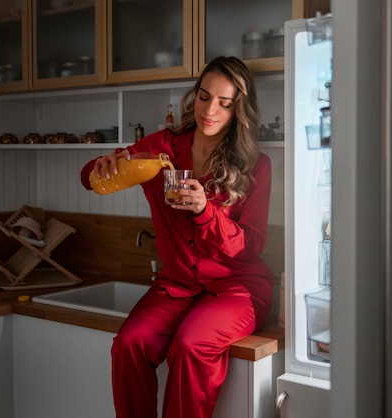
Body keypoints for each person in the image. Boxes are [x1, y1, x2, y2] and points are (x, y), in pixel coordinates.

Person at [80, 56, 273, 418]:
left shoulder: (255, 165)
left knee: (191, 343)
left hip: (237, 288)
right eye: (204, 96)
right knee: (128, 344)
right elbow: (91, 176)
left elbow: (252, 244)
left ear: (238, 110)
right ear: (194, 96)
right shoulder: (162, 148)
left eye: (224, 102)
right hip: (178, 284)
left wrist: (204, 211)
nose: (209, 110)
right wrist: (100, 166)